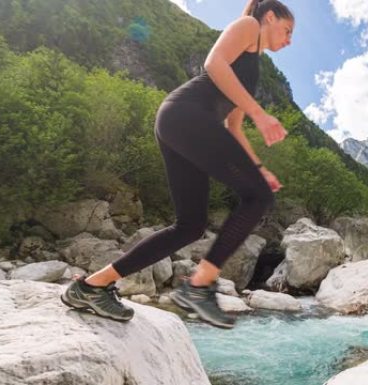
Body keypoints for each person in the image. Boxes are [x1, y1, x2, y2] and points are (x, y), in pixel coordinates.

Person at [61, 0, 294, 329]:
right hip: (186, 115)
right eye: (288, 30)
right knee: (257, 198)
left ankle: (90, 287)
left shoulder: (253, 68)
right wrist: (261, 113)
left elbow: (234, 127)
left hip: (181, 123)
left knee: (190, 226)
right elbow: (213, 64)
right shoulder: (249, 27)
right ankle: (199, 287)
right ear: (269, 17)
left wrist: (259, 167)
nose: (289, 39)